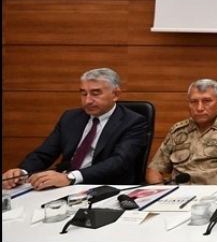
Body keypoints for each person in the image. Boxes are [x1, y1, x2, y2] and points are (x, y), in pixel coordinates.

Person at [1, 68, 148, 190]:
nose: (87, 100)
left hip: (105, 187)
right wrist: (22, 171)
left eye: (95, 94)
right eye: (83, 93)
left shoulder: (133, 122)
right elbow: (44, 153)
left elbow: (118, 162)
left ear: (115, 94)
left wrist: (70, 177)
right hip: (63, 186)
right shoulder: (70, 118)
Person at [146, 79, 217, 185]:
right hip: (181, 193)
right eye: (193, 102)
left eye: (207, 101)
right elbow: (154, 170)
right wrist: (162, 192)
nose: (199, 108)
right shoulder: (177, 131)